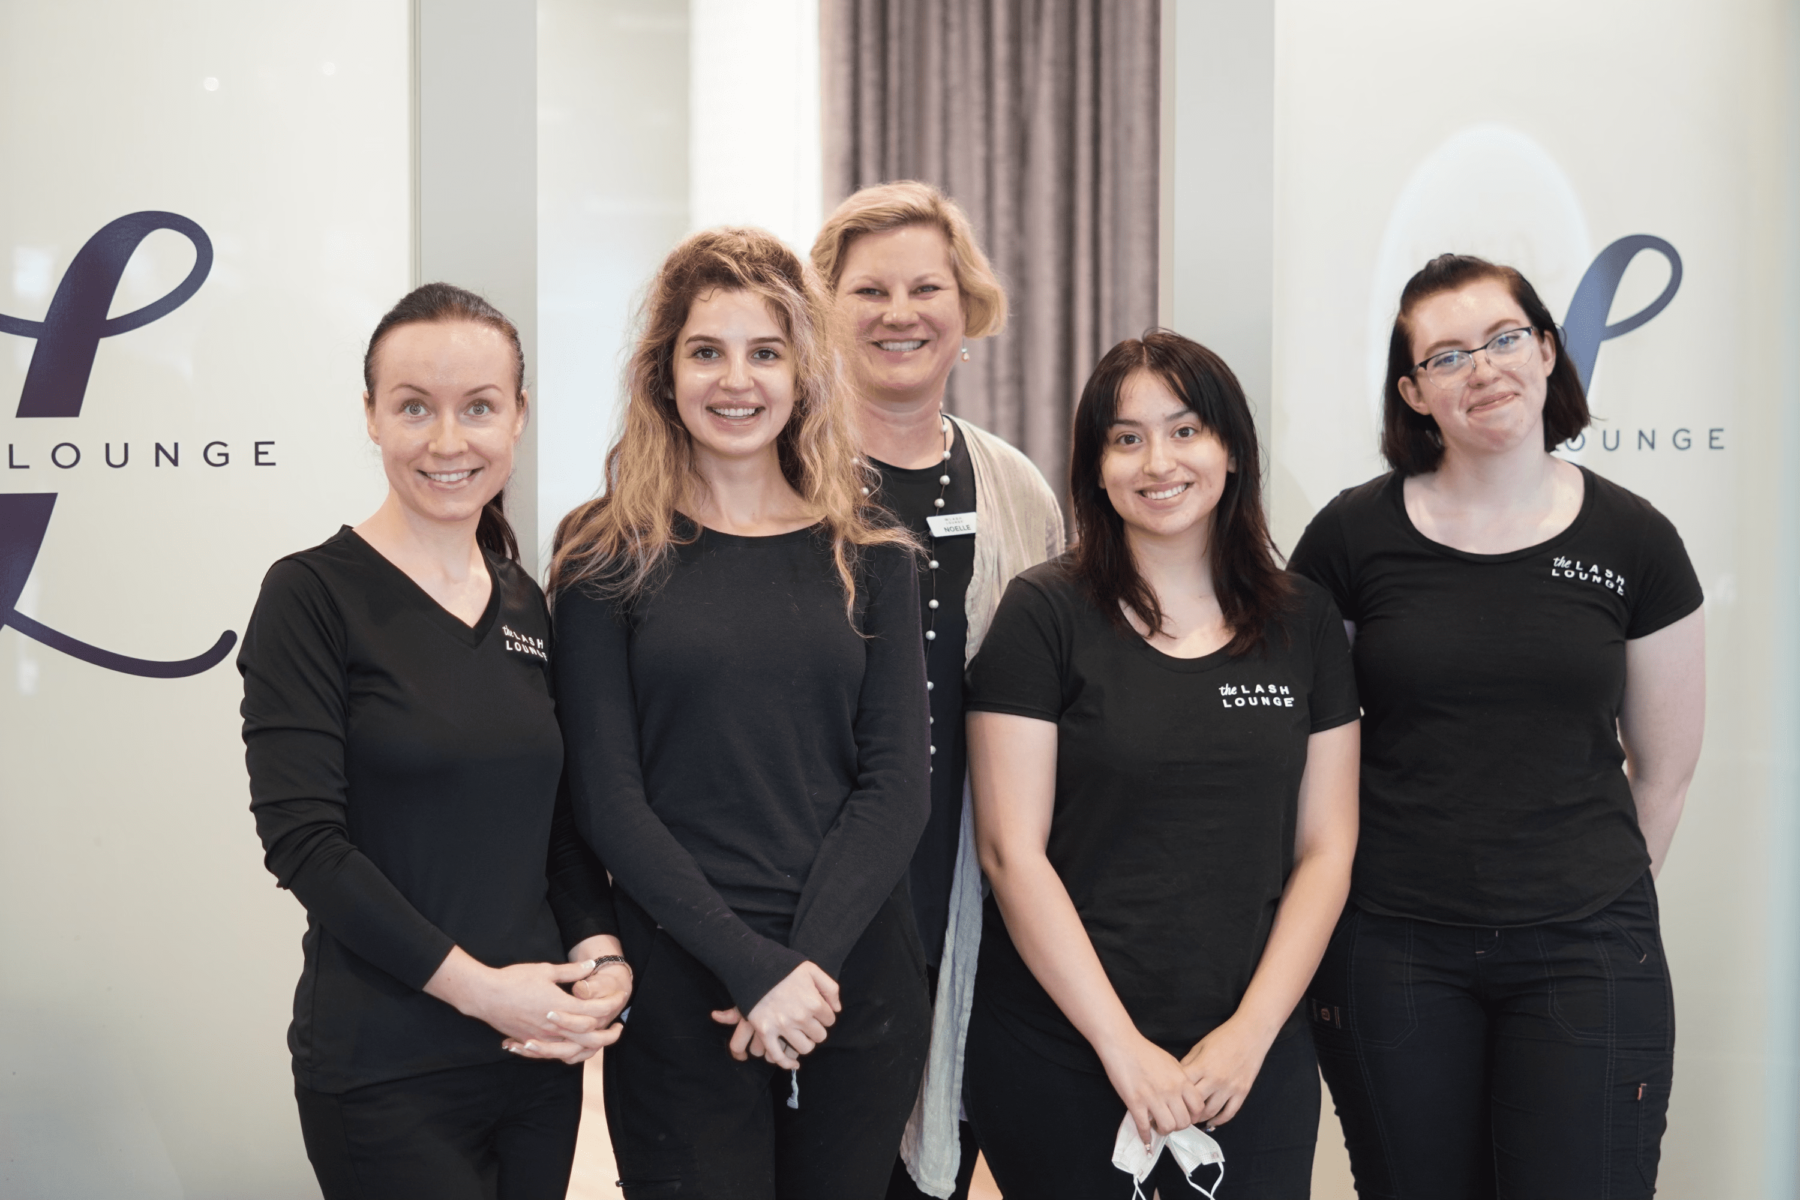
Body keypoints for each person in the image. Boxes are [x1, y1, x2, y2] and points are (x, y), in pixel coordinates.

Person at [1291, 254, 1706, 1200]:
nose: (1484, 369)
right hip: (1393, 946)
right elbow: (1307, 751)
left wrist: (1583, 895)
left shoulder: (1634, 540)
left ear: (1549, 351)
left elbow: (1666, 771)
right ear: (1413, 393)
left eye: (1505, 338)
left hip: (1589, 949)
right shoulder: (1351, 540)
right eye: (1447, 356)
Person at [549, 227, 933, 1200]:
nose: (737, 380)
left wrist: (801, 968)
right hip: (683, 984)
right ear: (663, 371)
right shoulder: (605, 557)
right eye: (706, 351)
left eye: (765, 352)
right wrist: (751, 968)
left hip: (848, 985)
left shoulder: (874, 555)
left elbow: (896, 787)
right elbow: (607, 797)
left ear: (803, 373)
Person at [238, 283, 631, 1200]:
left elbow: (558, 828)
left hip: (536, 1061)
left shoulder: (528, 602)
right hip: (386, 1066)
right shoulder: (310, 597)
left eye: (479, 408)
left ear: (519, 417)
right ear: (371, 416)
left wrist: (602, 955)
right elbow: (304, 843)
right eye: (414, 407)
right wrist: (483, 991)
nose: (448, 442)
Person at [962, 331, 1361, 1199]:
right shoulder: (1043, 614)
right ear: (1096, 466)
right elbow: (1009, 853)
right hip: (1065, 1046)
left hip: (1250, 1054)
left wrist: (1253, 1033)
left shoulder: (1305, 622)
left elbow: (1328, 847)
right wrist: (1123, 1049)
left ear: (1230, 449)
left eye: (1185, 431)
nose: (1158, 462)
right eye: (1126, 437)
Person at [809, 179, 1064, 1200]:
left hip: (967, 902)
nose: (899, 312)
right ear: (823, 310)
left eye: (926, 287)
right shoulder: (782, 480)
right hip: (818, 904)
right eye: (868, 289)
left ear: (969, 308)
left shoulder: (1018, 488)